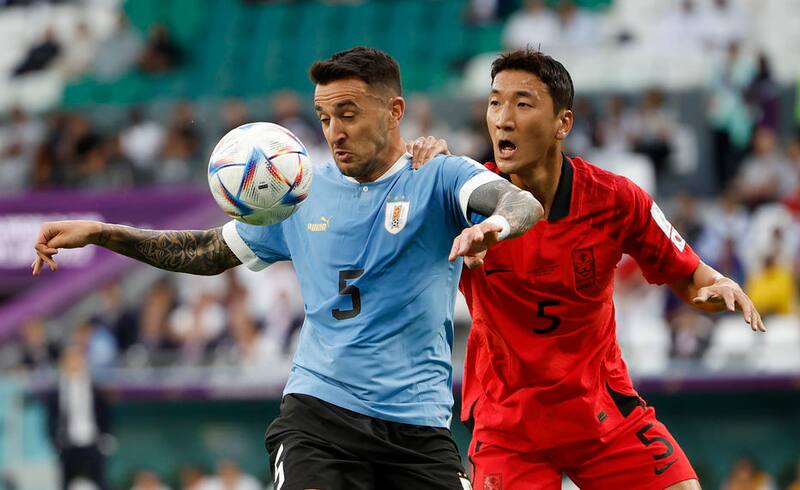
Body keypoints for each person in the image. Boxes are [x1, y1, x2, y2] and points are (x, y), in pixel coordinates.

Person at [32, 46, 543, 489]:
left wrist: (491, 227)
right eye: (324, 118)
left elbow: (520, 203)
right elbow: (208, 252)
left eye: (348, 113)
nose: (335, 131)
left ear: (394, 111)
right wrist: (104, 233)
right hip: (320, 415)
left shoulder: (438, 176)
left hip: (417, 426)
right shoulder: (298, 192)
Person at [448, 48, 763, 489]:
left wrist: (715, 288)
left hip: (601, 411)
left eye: (522, 103)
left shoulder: (616, 199)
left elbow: (691, 276)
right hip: (509, 425)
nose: (503, 117)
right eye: (495, 101)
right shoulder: (458, 200)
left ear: (563, 123)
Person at [45, 344, 113, 490]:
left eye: (77, 360)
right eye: (70, 361)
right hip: (68, 445)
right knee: (65, 483)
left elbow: (105, 414)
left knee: (100, 482)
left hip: (92, 443)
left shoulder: (95, 389)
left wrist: (107, 437)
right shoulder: (57, 391)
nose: (74, 364)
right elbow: (51, 418)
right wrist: (54, 440)